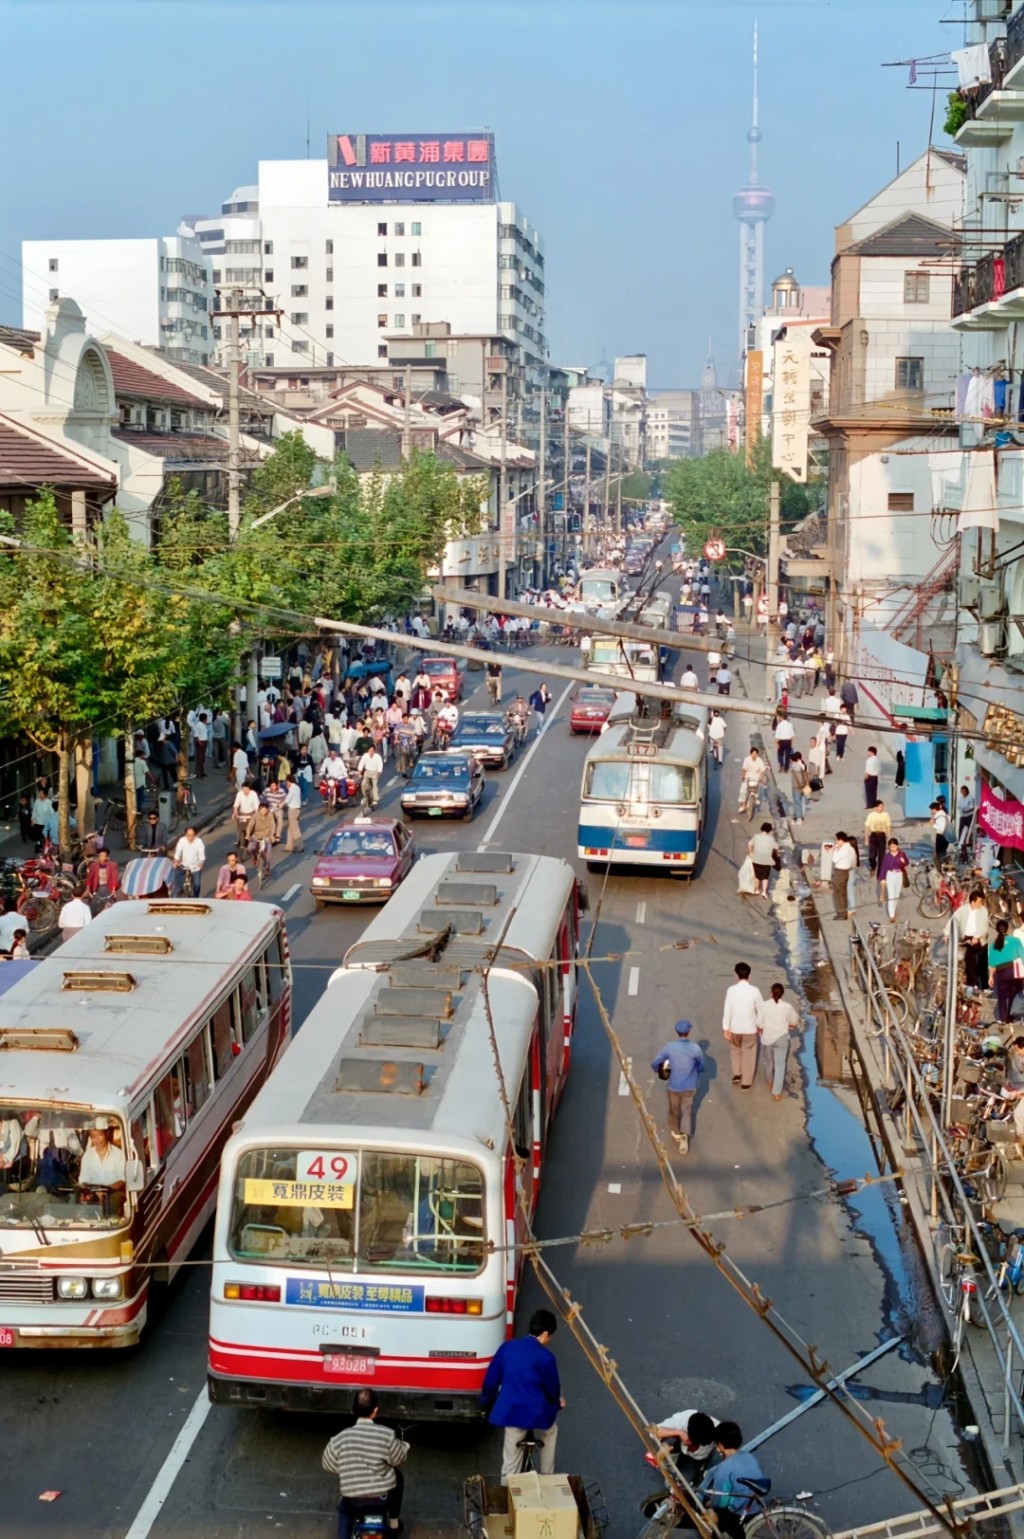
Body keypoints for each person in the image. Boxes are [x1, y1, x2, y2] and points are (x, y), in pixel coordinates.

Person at [480, 1307, 565, 1480]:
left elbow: (490, 1381)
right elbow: (552, 1390)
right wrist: (558, 1402)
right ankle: (547, 1477)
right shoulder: (546, 1357)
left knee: (510, 1461)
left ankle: (508, 1492)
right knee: (550, 1431)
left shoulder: (507, 1348)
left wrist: (486, 1401)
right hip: (537, 1414)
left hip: (511, 1412)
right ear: (546, 1334)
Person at [322, 1387, 409, 1539]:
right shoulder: (387, 1435)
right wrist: (404, 1447)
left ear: (353, 1410)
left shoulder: (340, 1438)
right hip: (381, 1500)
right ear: (375, 1411)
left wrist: (345, 1468)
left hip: (353, 1500)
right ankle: (394, 1522)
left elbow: (327, 1463)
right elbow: (398, 1459)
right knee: (398, 1477)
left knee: (344, 1511)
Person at [697, 1423, 769, 1539]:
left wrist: (708, 1504)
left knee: (719, 1517)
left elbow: (721, 1502)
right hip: (758, 1504)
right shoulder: (748, 1456)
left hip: (743, 1512)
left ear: (720, 1445)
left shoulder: (724, 1471)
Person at [650, 1019, 704, 1155]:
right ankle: (685, 1134)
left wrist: (660, 1069)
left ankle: (676, 1131)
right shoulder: (695, 1048)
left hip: (674, 1086)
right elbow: (701, 1066)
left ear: (677, 1032)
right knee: (687, 1110)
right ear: (689, 1032)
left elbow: (655, 1062)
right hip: (690, 1087)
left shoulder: (669, 1047)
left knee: (674, 1110)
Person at [722, 962, 763, 1090]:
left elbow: (727, 1010)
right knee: (749, 1053)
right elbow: (761, 1009)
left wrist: (726, 1028)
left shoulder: (731, 990)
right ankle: (746, 1081)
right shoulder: (755, 991)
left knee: (735, 1050)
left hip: (735, 1027)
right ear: (749, 975)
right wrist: (760, 1025)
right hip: (750, 1029)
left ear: (736, 975)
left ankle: (737, 1073)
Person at [653, 1410, 719, 1483]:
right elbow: (654, 1431)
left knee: (684, 1485)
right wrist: (679, 1432)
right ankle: (667, 1466)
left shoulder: (718, 1429)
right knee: (670, 1440)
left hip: (695, 1460)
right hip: (677, 1446)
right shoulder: (683, 1419)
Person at [759, 983, 799, 1101]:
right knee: (780, 1065)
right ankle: (776, 1092)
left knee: (769, 1061)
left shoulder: (764, 1006)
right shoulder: (786, 1007)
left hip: (767, 1038)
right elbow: (794, 1020)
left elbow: (759, 1022)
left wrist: (763, 1026)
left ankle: (770, 1081)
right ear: (782, 994)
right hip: (781, 1037)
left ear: (771, 993)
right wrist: (790, 1025)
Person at [989, 919, 1024, 1023]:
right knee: (1014, 993)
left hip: (1001, 973)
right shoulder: (1015, 941)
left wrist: (991, 976)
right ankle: (1012, 1015)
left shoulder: (993, 945)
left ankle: (1004, 1019)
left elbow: (992, 963)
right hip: (1014, 972)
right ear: (1007, 928)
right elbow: (1022, 956)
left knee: (1002, 997)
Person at [79, 1120, 127, 1191]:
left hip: (114, 1194)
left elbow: (123, 1178)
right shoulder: (87, 1155)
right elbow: (83, 1180)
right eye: (93, 1137)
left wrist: (107, 1191)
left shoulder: (119, 1154)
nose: (97, 1140)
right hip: (93, 1196)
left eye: (100, 1135)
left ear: (106, 1134)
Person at [960, 889, 990, 994]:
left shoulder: (983, 911)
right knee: (970, 962)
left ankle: (981, 986)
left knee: (980, 964)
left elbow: (983, 928)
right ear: (973, 902)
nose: (981, 904)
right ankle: (973, 985)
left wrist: (976, 937)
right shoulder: (965, 909)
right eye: (979, 902)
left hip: (980, 940)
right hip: (970, 939)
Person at [878, 838, 909, 923]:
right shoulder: (887, 856)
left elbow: (906, 863)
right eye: (891, 846)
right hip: (890, 875)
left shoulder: (902, 854)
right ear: (889, 847)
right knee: (891, 894)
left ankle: (893, 910)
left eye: (894, 845)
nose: (893, 847)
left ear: (897, 846)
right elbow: (883, 867)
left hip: (899, 874)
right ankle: (891, 915)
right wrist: (882, 878)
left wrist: (903, 861)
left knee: (896, 894)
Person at [747, 822, 780, 899]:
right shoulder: (771, 839)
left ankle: (757, 890)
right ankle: (764, 892)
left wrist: (750, 853)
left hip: (756, 859)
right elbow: (777, 847)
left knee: (757, 876)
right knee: (765, 877)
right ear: (769, 830)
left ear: (761, 829)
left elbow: (749, 844)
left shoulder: (756, 836)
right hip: (766, 861)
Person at [173, 827, 206, 896]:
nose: (190, 837)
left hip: (195, 866)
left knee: (197, 885)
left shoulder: (198, 841)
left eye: (192, 835)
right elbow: (178, 851)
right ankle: (180, 889)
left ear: (195, 835)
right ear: (185, 834)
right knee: (176, 873)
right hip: (184, 864)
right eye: (188, 835)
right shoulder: (182, 841)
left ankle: (196, 898)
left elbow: (201, 853)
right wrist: (176, 861)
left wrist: (201, 862)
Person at [831, 831, 857, 921]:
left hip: (840, 871)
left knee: (838, 893)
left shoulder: (843, 849)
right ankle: (843, 912)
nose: (836, 842)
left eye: (837, 840)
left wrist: (836, 849)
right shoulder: (851, 849)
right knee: (843, 893)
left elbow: (834, 859)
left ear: (841, 840)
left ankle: (841, 913)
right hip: (846, 872)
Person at [864, 801, 891, 880]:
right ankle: (873, 866)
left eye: (882, 806)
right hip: (873, 835)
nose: (881, 808)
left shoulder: (886, 815)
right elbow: (867, 827)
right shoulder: (871, 815)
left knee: (882, 856)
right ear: (875, 807)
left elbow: (888, 826)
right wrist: (866, 838)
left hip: (882, 836)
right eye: (880, 806)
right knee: (872, 855)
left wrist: (889, 837)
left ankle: (880, 874)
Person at [738, 746, 768, 813]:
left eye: (756, 753)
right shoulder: (747, 759)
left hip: (756, 777)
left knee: (756, 789)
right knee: (743, 790)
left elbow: (762, 770)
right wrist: (743, 776)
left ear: (757, 754)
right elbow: (744, 768)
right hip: (748, 776)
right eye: (753, 753)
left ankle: (754, 799)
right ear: (751, 753)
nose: (754, 755)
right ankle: (743, 805)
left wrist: (761, 777)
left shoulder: (759, 760)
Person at [233, 782, 260, 847]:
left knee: (252, 827)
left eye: (246, 789)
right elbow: (236, 804)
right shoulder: (239, 793)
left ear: (249, 789)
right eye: (243, 788)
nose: (245, 790)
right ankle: (238, 840)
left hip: (251, 813)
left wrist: (256, 814)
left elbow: (256, 805)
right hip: (242, 813)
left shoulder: (253, 794)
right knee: (240, 827)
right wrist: (234, 812)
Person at [357, 744, 384, 810]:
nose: (371, 752)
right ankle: (365, 796)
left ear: (374, 751)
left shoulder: (377, 757)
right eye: (370, 750)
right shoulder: (365, 756)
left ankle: (375, 799)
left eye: (372, 750)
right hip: (367, 772)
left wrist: (378, 773)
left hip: (374, 772)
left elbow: (380, 765)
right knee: (363, 784)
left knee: (374, 785)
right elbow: (361, 764)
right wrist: (359, 772)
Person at [284, 775, 304, 853]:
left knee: (294, 828)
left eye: (287, 782)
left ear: (288, 781)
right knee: (290, 828)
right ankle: (289, 845)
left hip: (293, 810)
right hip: (297, 809)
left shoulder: (292, 788)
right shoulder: (297, 787)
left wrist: (281, 804)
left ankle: (300, 845)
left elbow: (288, 799)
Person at [790, 752, 809, 824]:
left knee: (798, 802)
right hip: (798, 787)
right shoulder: (798, 766)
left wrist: (801, 786)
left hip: (798, 787)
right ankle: (797, 816)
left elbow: (800, 778)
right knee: (798, 802)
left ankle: (799, 817)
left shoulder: (796, 767)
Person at [931, 801, 951, 868]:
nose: (931, 811)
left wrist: (934, 825)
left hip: (942, 837)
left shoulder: (940, 817)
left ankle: (944, 870)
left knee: (940, 856)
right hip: (945, 837)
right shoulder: (944, 814)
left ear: (934, 809)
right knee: (942, 855)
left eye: (932, 809)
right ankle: (946, 868)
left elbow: (941, 830)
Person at [957, 784, 976, 849]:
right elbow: (959, 806)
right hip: (962, 816)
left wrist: (966, 811)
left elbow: (972, 808)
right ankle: (960, 844)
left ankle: (969, 843)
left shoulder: (970, 798)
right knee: (961, 830)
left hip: (969, 816)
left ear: (967, 791)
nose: (963, 793)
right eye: (962, 791)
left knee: (969, 830)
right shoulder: (960, 798)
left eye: (964, 791)